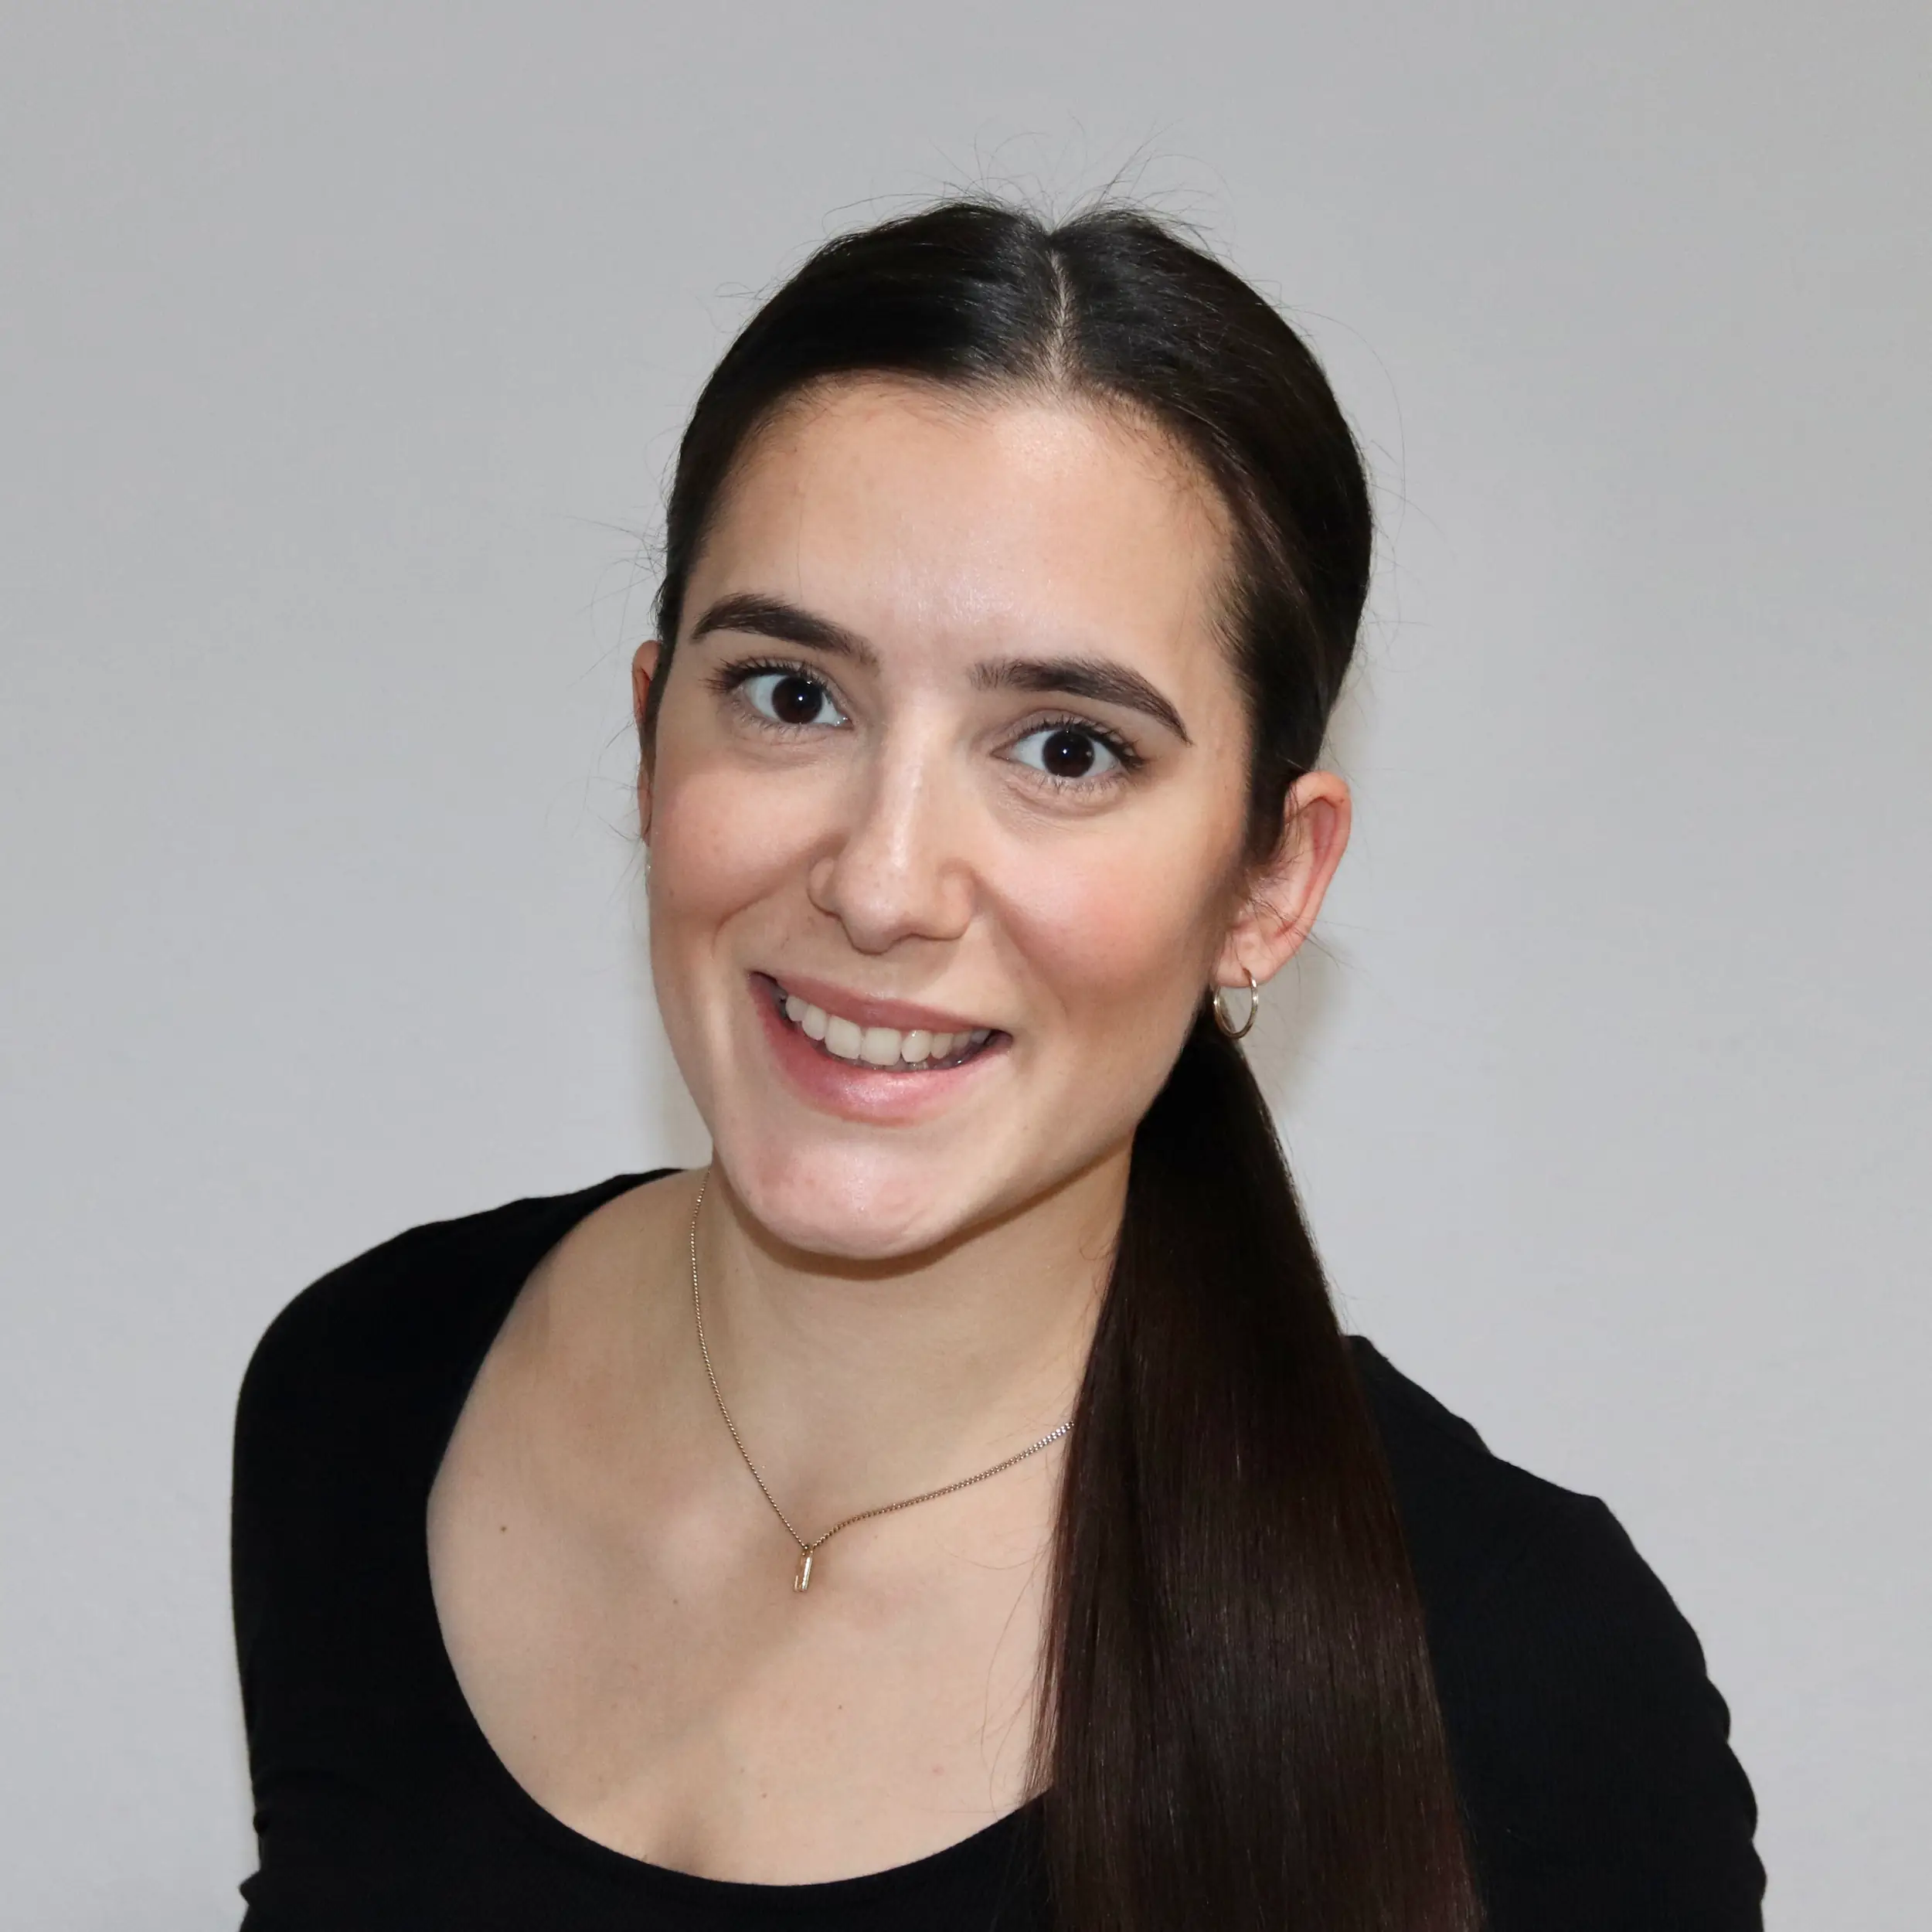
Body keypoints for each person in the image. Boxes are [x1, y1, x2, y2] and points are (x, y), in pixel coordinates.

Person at [230, 199, 1764, 1931]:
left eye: (1063, 746)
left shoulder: (1511, 1673)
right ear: (653, 731)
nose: (881, 881)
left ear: (1270, 879)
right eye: (791, 695)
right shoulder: (360, 1394)